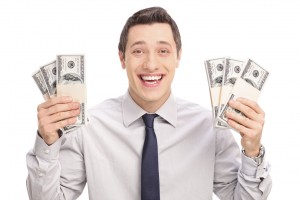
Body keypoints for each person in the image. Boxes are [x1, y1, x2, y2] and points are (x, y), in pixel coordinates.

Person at [26, 6, 272, 200]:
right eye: (138, 51)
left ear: (178, 56)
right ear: (122, 58)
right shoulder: (88, 128)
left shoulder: (210, 128)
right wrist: (47, 144)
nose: (151, 65)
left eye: (163, 51)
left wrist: (252, 150)